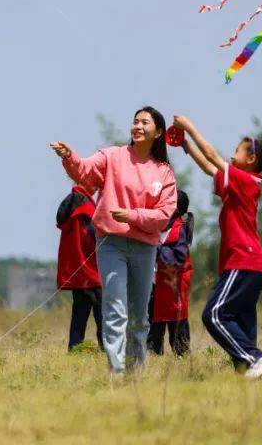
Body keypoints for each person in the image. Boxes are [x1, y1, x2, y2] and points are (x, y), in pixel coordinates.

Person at [49, 105, 177, 376]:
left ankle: (135, 372)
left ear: (159, 132)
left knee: (139, 315)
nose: (138, 127)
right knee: (115, 310)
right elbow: (84, 172)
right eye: (135, 122)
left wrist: (131, 215)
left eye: (145, 122)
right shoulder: (113, 156)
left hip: (145, 248)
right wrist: (69, 156)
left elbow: (164, 215)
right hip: (111, 244)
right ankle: (116, 372)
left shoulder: (163, 172)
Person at [172, 114, 262, 379]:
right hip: (245, 265)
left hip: (244, 261)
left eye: (237, 150)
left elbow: (212, 156)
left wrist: (189, 126)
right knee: (240, 323)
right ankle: (248, 372)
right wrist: (186, 146)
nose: (230, 155)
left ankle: (255, 358)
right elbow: (209, 168)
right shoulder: (236, 183)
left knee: (214, 314)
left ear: (251, 159)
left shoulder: (247, 182)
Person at [56, 181, 103, 350]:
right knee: (103, 317)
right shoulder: (86, 205)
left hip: (78, 273)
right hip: (92, 272)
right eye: (95, 182)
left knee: (79, 317)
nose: (98, 186)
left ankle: (74, 351)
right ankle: (108, 351)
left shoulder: (71, 202)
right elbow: (92, 237)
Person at [148, 190, 194, 357]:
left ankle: (182, 357)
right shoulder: (157, 228)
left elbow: (178, 257)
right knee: (154, 323)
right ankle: (153, 355)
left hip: (174, 287)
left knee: (177, 323)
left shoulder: (179, 229)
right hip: (155, 285)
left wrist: (157, 248)